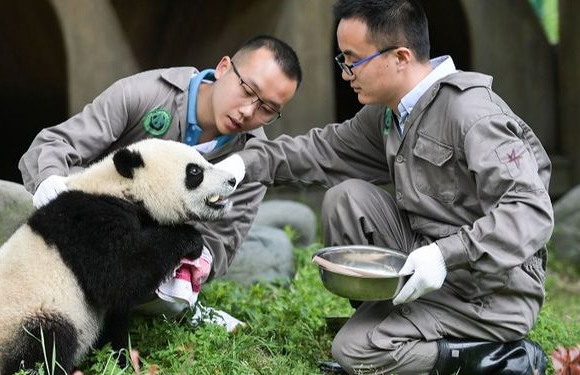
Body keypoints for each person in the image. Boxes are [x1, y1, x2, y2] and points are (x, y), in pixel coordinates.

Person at [216, 0, 553, 373]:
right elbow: (320, 151)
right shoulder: (391, 115)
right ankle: (389, 323)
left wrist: (445, 255)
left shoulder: (471, 113)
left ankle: (500, 359)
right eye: (341, 61)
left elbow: (531, 211)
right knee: (346, 199)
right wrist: (241, 165)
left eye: (353, 60)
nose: (346, 74)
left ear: (401, 57)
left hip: (489, 292)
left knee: (354, 352)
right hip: (428, 268)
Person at [18, 35, 302, 326]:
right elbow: (53, 145)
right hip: (93, 224)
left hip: (155, 257)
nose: (247, 111)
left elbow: (223, 241)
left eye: (266, 109)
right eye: (247, 89)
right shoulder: (143, 94)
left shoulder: (253, 159)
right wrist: (50, 184)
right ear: (223, 68)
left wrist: (191, 266)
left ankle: (172, 306)